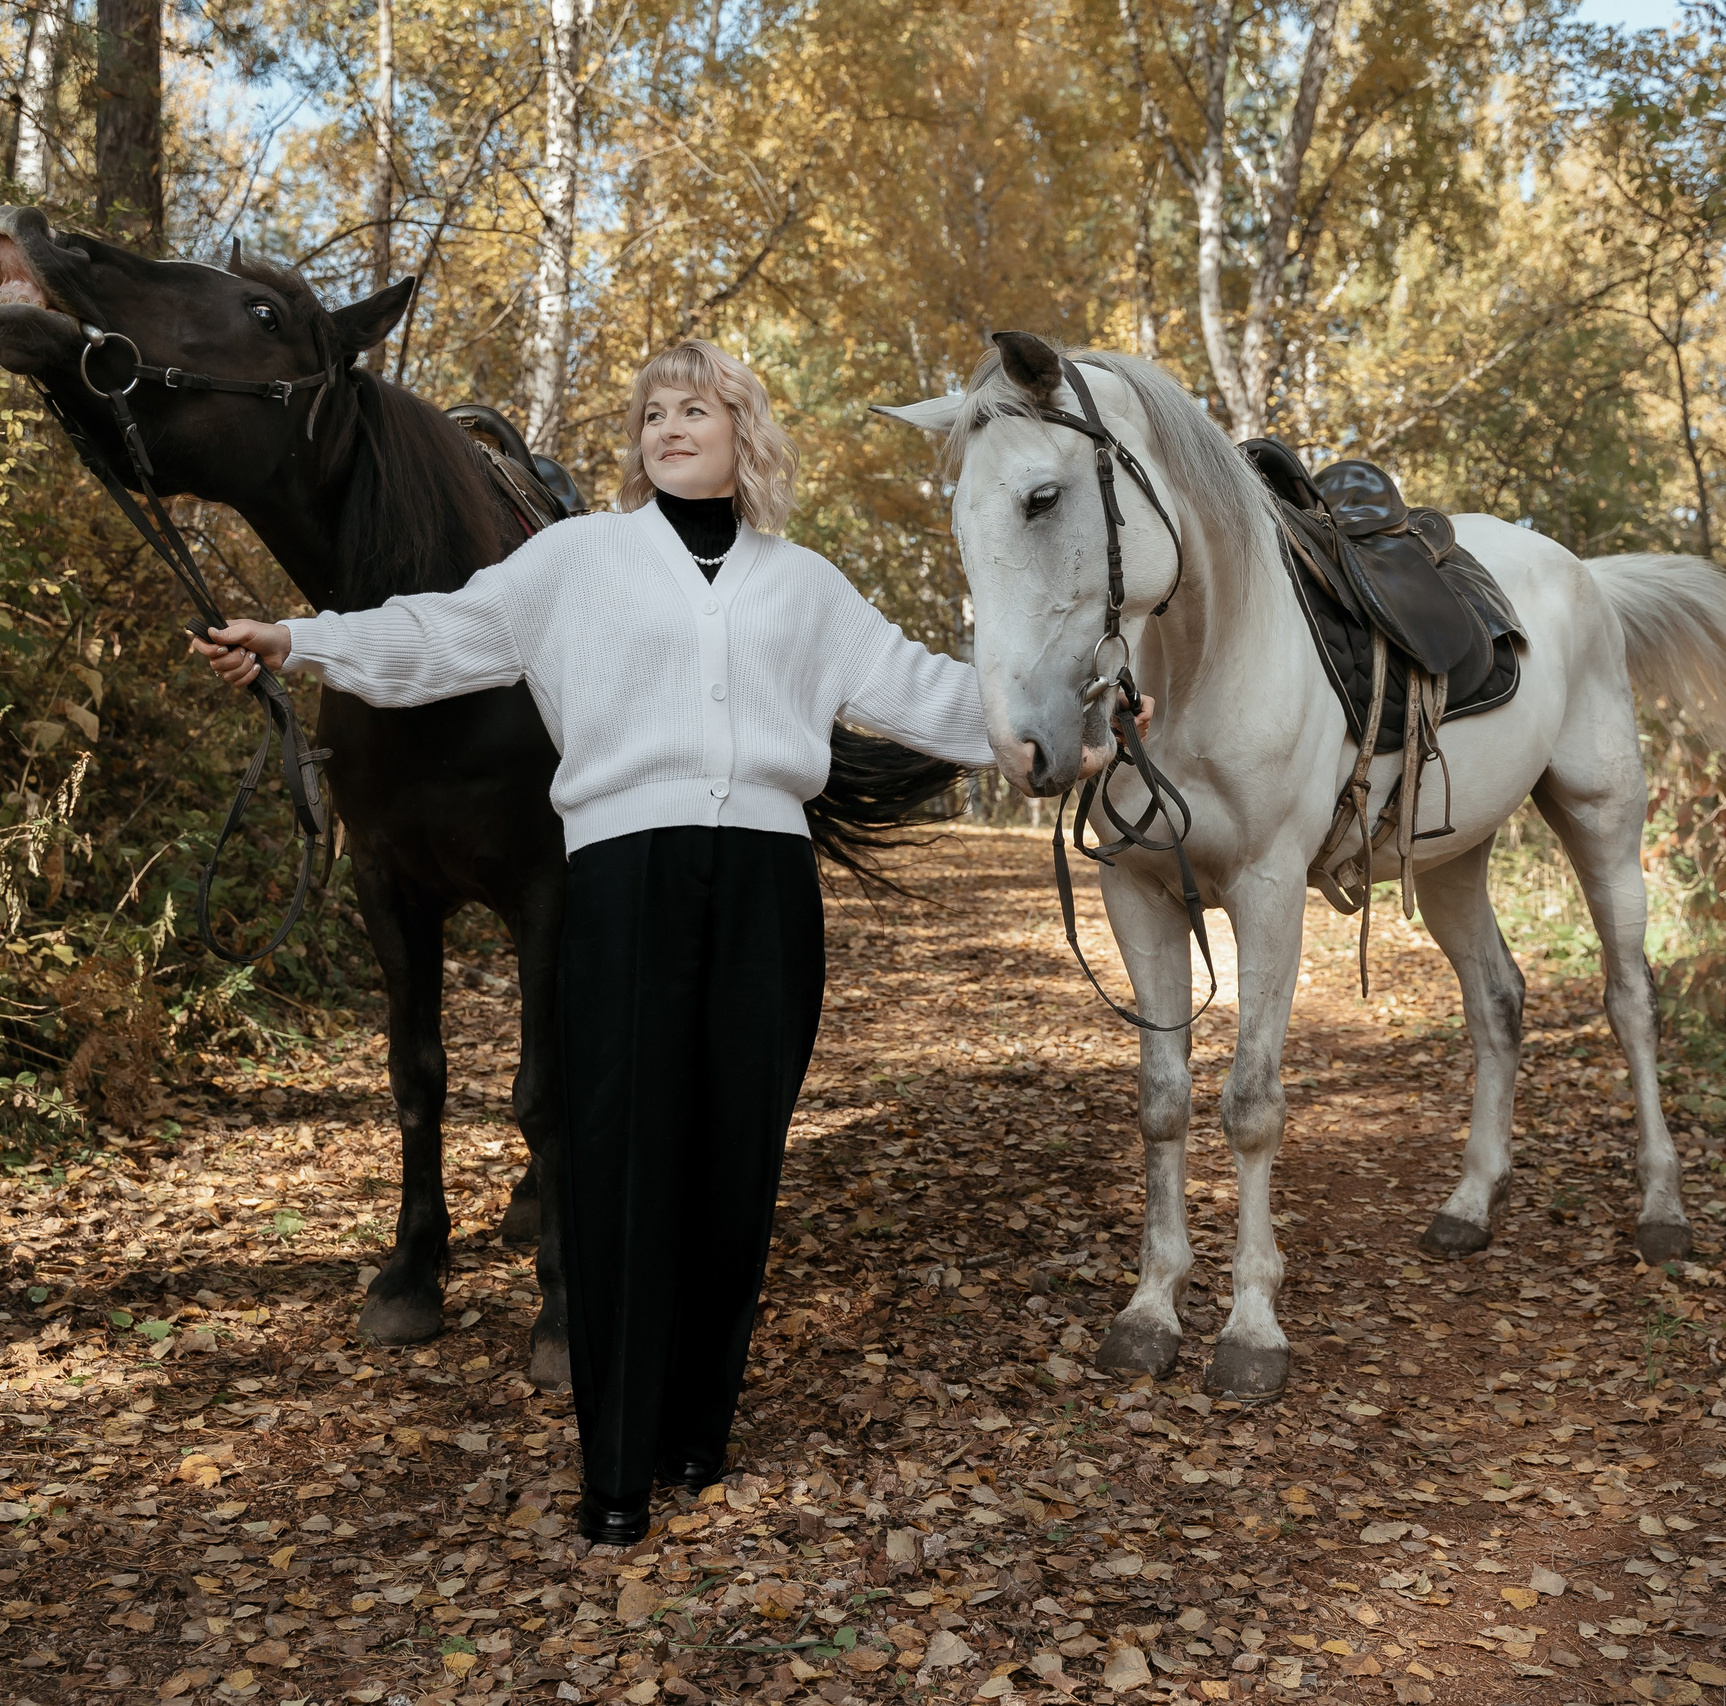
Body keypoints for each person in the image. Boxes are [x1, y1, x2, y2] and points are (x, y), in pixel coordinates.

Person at [193, 340, 1136, 1547]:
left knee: (734, 1167)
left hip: (763, 888)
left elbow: (930, 693)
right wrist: (300, 638)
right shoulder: (574, 561)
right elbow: (439, 635)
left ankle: (698, 1435)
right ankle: (617, 1469)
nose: (667, 426)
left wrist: (1065, 731)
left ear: (745, 432)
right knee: (622, 1163)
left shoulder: (805, 585)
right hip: (624, 880)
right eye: (651, 411)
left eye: (695, 407)